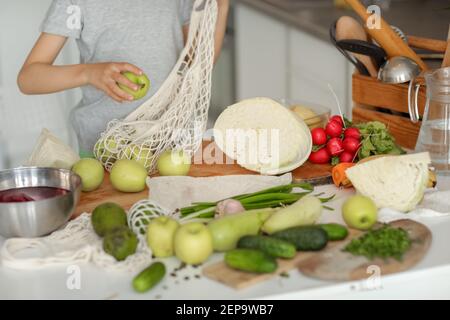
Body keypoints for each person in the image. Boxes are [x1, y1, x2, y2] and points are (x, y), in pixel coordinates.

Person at [17, 0, 229, 155]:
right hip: (103, 148)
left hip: (169, 142)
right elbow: (29, 77)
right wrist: (89, 73)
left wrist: (222, 6)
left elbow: (197, 63)